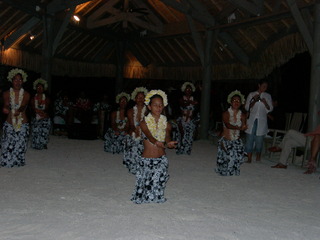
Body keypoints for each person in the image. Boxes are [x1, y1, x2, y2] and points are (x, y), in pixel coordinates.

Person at [131, 89, 177, 204]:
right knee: (144, 186)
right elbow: (149, 136)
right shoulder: (143, 122)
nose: (158, 107)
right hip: (147, 159)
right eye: (155, 105)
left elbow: (166, 135)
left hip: (161, 158)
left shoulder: (167, 123)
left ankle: (157, 196)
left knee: (158, 183)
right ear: (150, 107)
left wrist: (169, 142)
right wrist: (157, 142)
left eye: (160, 105)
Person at [0, 68, 30, 167]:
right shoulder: (6, 93)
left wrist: (19, 110)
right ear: (11, 81)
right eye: (15, 79)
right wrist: (5, 108)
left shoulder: (26, 94)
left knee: (20, 144)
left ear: (23, 81)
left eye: (20, 80)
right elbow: (6, 104)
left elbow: (23, 105)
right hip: (10, 123)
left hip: (22, 123)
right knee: (8, 144)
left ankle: (18, 161)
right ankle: (7, 161)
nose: (18, 82)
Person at [215, 90, 247, 176]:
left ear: (241, 103)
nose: (236, 102)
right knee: (229, 158)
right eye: (234, 100)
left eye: (238, 101)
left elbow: (244, 126)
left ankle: (233, 172)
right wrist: (238, 127)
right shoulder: (226, 113)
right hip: (226, 140)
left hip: (236, 140)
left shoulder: (243, 115)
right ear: (230, 102)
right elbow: (228, 125)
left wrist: (244, 127)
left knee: (238, 157)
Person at [244, 79, 273, 162]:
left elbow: (270, 109)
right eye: (263, 86)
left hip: (262, 120)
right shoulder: (252, 94)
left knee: (259, 139)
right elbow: (247, 107)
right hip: (252, 119)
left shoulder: (268, 96)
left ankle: (258, 156)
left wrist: (265, 103)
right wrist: (254, 100)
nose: (265, 88)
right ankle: (249, 157)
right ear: (259, 85)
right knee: (250, 137)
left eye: (266, 87)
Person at [123, 87, 148, 174]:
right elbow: (131, 125)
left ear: (145, 99)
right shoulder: (130, 111)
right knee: (132, 138)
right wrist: (136, 132)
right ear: (135, 99)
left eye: (142, 97)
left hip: (145, 133)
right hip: (134, 132)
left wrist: (142, 132)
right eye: (138, 97)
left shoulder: (148, 110)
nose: (140, 99)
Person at [176, 81, 199, 155]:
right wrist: (190, 102)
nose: (188, 91)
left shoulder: (194, 99)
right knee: (182, 134)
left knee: (190, 135)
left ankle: (187, 150)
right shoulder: (181, 99)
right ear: (184, 90)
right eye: (187, 89)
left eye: (190, 89)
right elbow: (183, 104)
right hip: (182, 119)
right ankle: (180, 149)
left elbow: (197, 109)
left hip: (191, 120)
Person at [30, 78, 51, 150]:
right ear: (35, 88)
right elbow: (33, 108)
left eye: (41, 87)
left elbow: (48, 109)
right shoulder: (33, 98)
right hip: (35, 116)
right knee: (36, 125)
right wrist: (38, 113)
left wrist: (44, 114)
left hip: (44, 116)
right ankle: (35, 143)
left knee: (46, 123)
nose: (39, 88)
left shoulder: (47, 98)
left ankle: (44, 143)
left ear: (44, 88)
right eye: (38, 87)